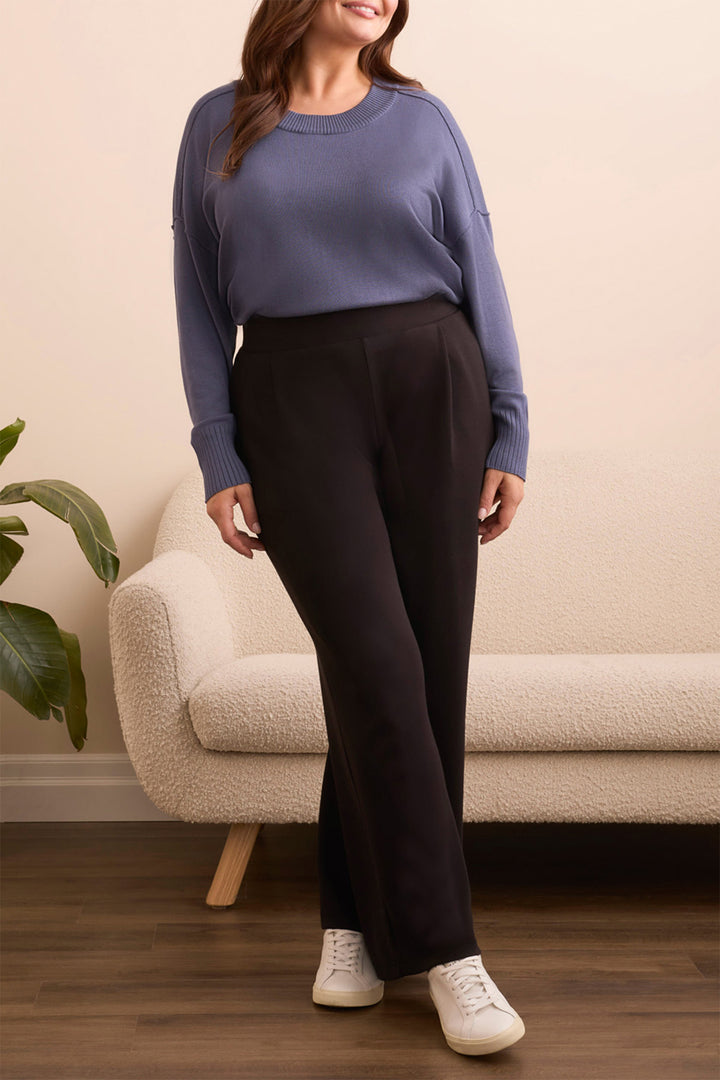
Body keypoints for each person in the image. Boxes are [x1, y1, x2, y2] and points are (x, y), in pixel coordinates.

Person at [171, 0, 528, 1058]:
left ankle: (351, 928)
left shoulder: (424, 122)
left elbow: (484, 269)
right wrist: (218, 451)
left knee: (421, 673)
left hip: (435, 382)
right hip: (289, 393)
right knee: (370, 657)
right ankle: (449, 949)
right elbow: (196, 297)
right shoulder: (219, 123)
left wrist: (509, 430)